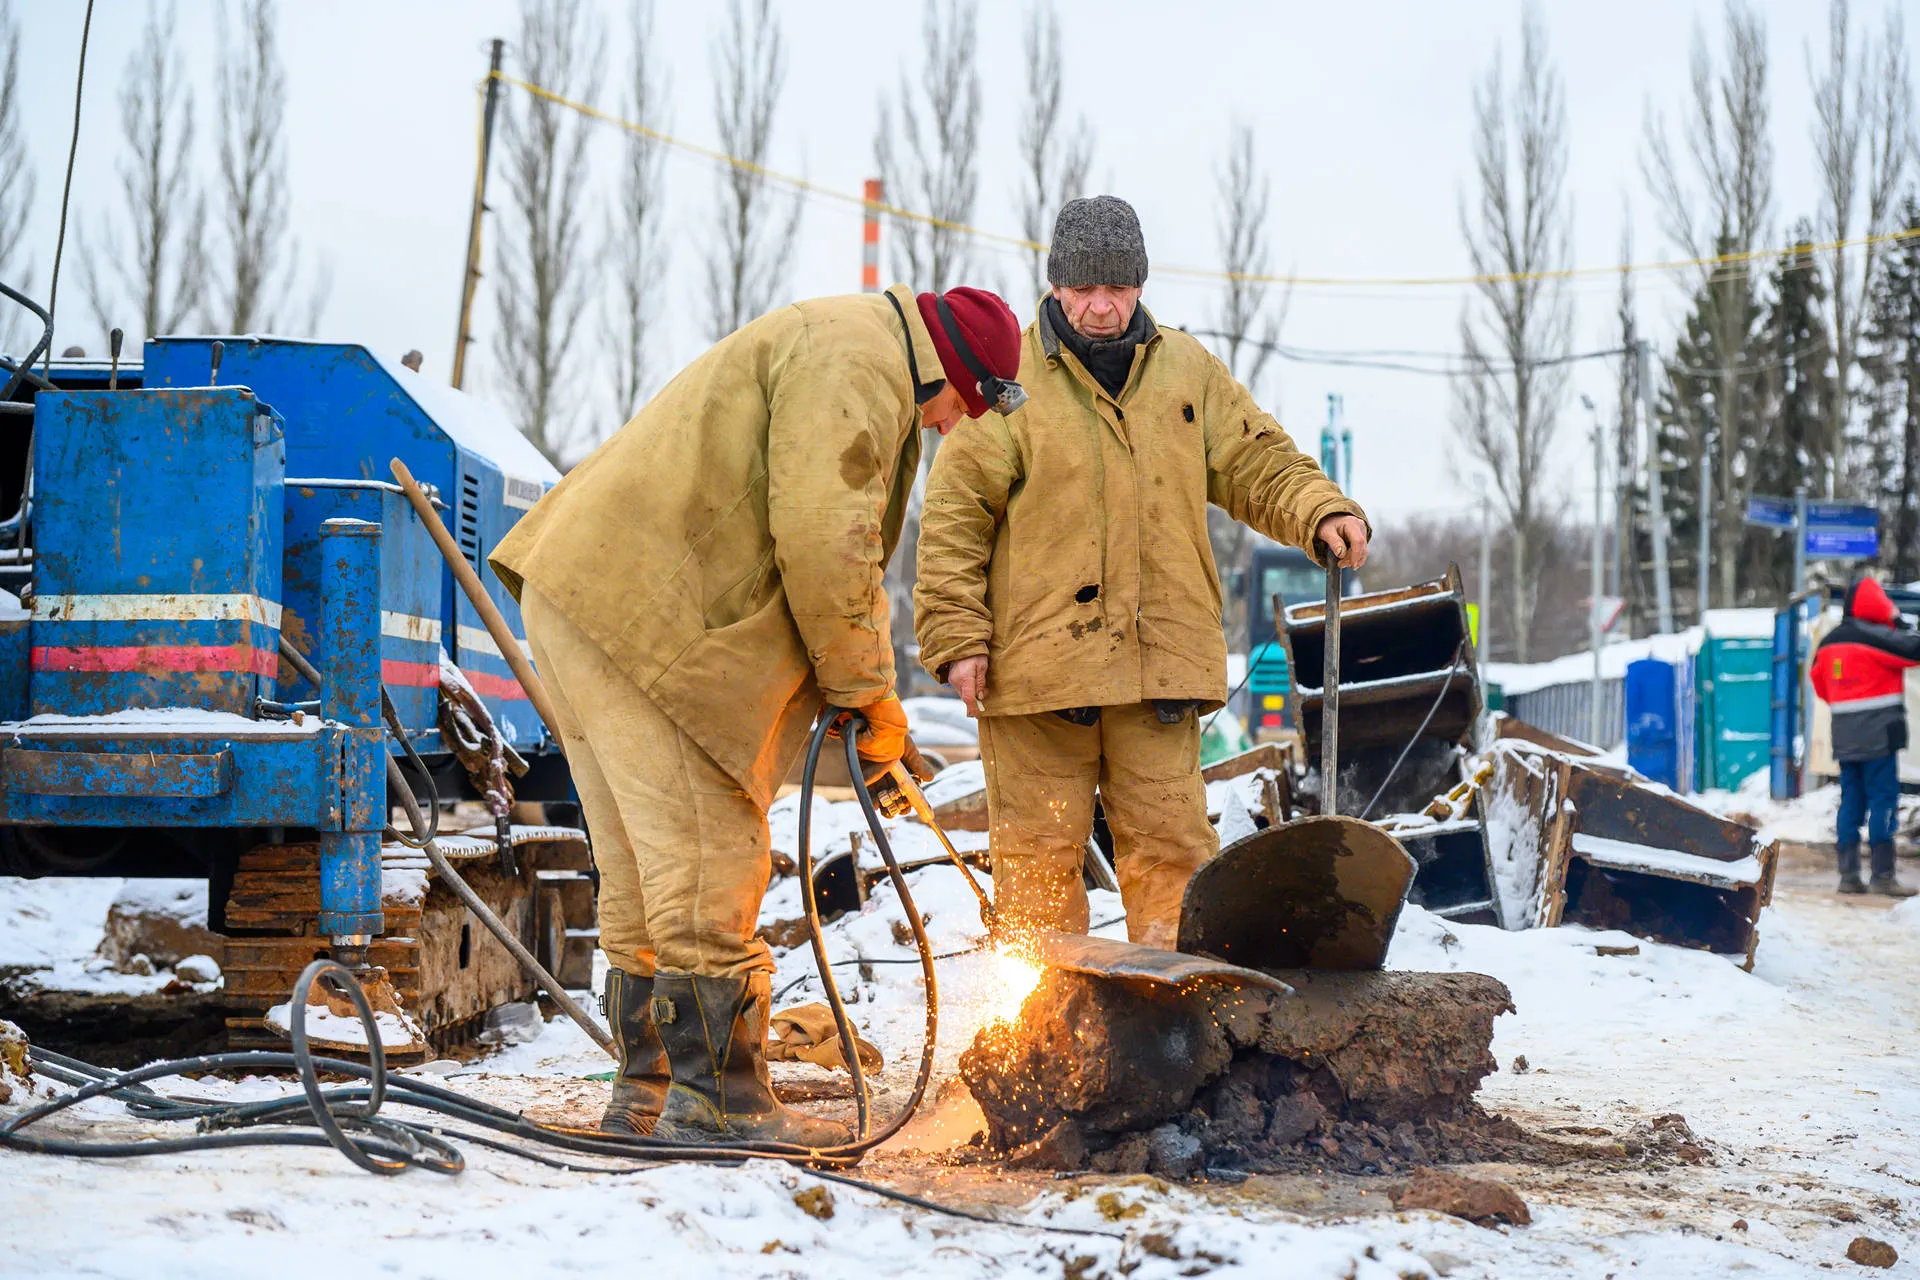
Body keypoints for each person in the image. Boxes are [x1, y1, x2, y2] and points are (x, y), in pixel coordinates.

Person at [490, 282, 1025, 1145]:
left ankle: (647, 1092)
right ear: (965, 383)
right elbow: (826, 537)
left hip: (588, 594)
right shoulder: (862, 361)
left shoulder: (846, 336)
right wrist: (865, 689)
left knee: (643, 864)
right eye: (964, 415)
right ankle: (723, 1104)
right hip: (642, 611)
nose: (944, 432)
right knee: (712, 851)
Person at [913, 196, 1369, 950]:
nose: (1100, 307)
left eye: (1116, 289)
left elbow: (1257, 459)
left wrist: (1319, 509)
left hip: (1158, 667)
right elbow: (955, 518)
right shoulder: (1007, 379)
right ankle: (1045, 1034)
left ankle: (1174, 1025)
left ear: (1140, 285)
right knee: (1038, 869)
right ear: (1057, 286)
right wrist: (959, 639)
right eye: (1084, 289)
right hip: (1037, 679)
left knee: (1175, 863)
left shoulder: (1187, 371)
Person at [1810, 576, 1920, 897]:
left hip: (1845, 737)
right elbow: (1915, 650)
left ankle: (1848, 875)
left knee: (1851, 802)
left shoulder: (1828, 643)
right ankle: (1883, 875)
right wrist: (1898, 621)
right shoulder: (1879, 637)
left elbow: (1819, 682)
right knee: (1883, 801)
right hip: (1879, 738)